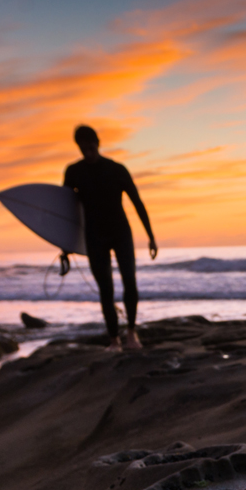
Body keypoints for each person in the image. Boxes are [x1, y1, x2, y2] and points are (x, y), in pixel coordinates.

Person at [62, 125, 157, 350]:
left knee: (130, 283)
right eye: (83, 147)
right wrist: (65, 245)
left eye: (90, 145)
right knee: (106, 289)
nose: (88, 150)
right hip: (94, 236)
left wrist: (151, 236)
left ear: (98, 142)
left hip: (120, 233)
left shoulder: (116, 169)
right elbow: (65, 210)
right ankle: (114, 339)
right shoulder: (74, 172)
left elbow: (137, 202)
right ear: (78, 147)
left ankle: (132, 333)